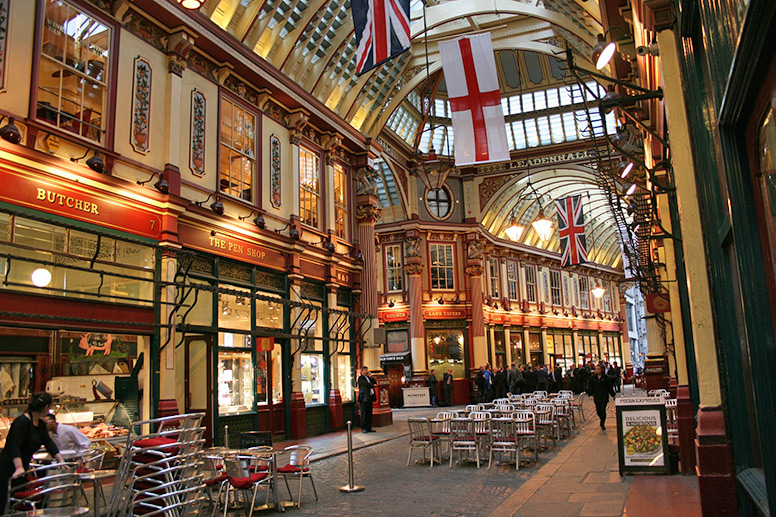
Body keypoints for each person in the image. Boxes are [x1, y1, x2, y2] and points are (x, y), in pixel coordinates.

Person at [0, 392, 65, 512]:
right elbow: (14, 446)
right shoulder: (21, 422)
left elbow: (49, 443)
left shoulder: (40, 424)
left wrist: (60, 459)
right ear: (46, 408)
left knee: (16, 503)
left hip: (22, 470)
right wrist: (18, 467)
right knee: (5, 502)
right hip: (8, 469)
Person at [587, 363, 616, 430]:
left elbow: (609, 387)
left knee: (603, 409)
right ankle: (601, 418)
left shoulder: (606, 377)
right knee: (598, 410)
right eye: (596, 369)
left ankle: (602, 423)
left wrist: (613, 395)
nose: (597, 370)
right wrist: (590, 394)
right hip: (597, 396)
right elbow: (590, 386)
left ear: (602, 370)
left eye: (598, 369)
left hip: (604, 396)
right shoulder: (593, 378)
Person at [357, 366, 377, 433]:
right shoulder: (360, 378)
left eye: (367, 370)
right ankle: (363, 427)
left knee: (369, 413)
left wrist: (371, 377)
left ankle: (369, 427)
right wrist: (372, 385)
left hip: (370, 398)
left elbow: (374, 382)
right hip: (364, 398)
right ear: (362, 371)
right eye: (365, 370)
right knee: (364, 413)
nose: (366, 371)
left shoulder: (368, 378)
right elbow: (365, 384)